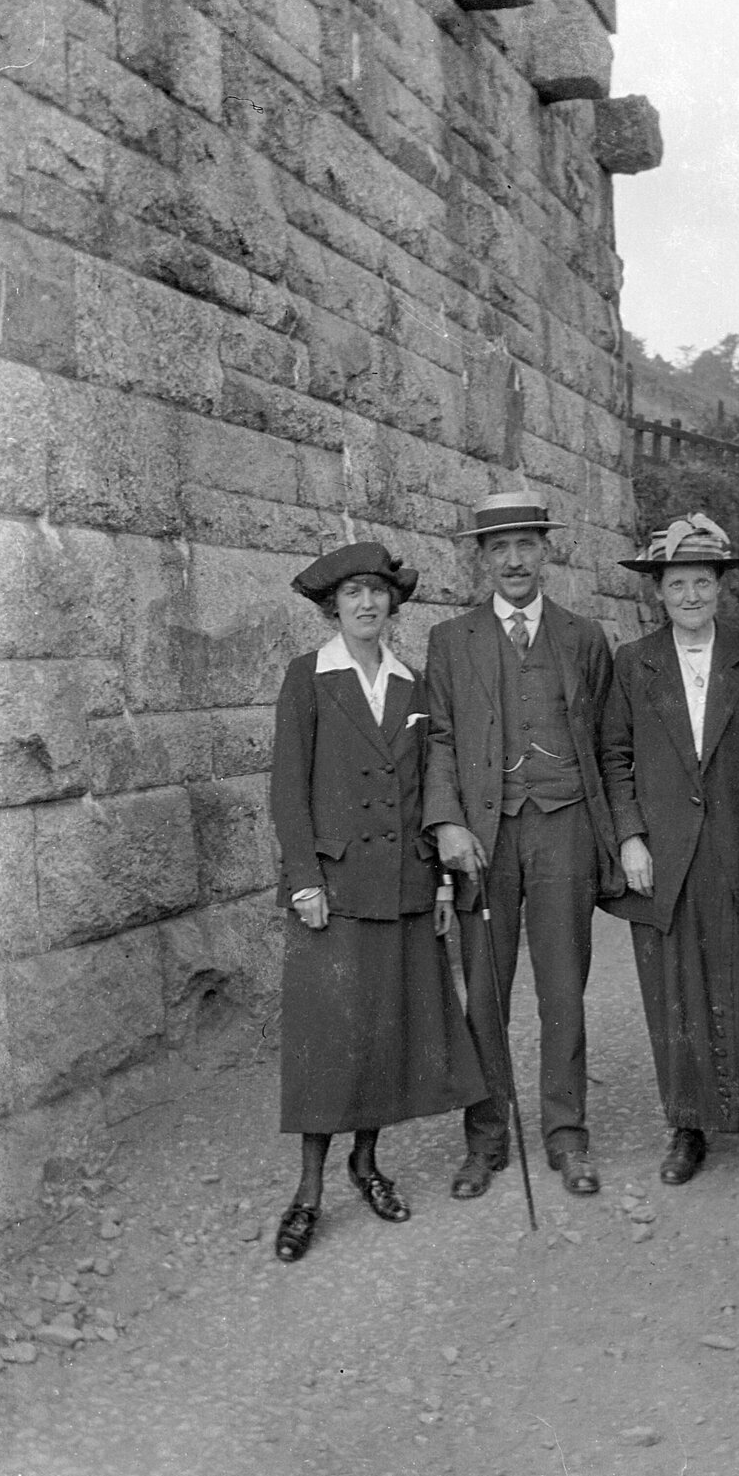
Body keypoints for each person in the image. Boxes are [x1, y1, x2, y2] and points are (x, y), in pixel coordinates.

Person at [270, 542, 487, 1262]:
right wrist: (304, 881)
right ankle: (308, 1192)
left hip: (403, 889)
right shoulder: (309, 678)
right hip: (333, 893)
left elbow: (431, 790)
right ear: (334, 607)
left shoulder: (412, 686)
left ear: (395, 605)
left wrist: (443, 884)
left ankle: (366, 1164)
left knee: (386, 1034)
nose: (367, 605)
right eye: (354, 594)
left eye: (378, 593)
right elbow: (287, 792)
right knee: (329, 1044)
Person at [601, 512, 739, 1192]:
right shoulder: (634, 662)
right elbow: (615, 754)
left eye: (702, 582)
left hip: (738, 847)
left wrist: (728, 777)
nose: (691, 596)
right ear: (657, 593)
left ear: (721, 586)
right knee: (676, 989)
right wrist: (633, 836)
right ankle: (688, 1128)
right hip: (665, 855)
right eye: (677, 585)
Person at [423, 492, 623, 1201]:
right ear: (480, 558)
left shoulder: (584, 636)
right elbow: (440, 739)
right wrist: (447, 823)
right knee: (485, 993)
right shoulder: (452, 642)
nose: (513, 559)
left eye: (525, 545)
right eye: (498, 547)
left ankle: (567, 1137)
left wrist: (623, 836)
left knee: (563, 987)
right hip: (486, 835)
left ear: (546, 551)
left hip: (565, 824)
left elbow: (609, 744)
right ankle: (486, 1140)